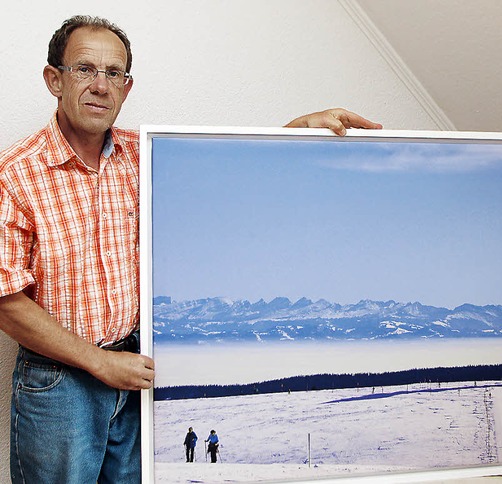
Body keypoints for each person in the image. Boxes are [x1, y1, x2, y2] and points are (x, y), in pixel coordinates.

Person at [0, 14, 381, 484]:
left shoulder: (145, 155)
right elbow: (7, 301)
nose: (100, 85)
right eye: (84, 69)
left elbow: (221, 174)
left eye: (113, 73)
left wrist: (299, 128)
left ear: (127, 86)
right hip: (61, 384)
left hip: (136, 371)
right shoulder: (14, 174)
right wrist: (101, 363)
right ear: (54, 79)